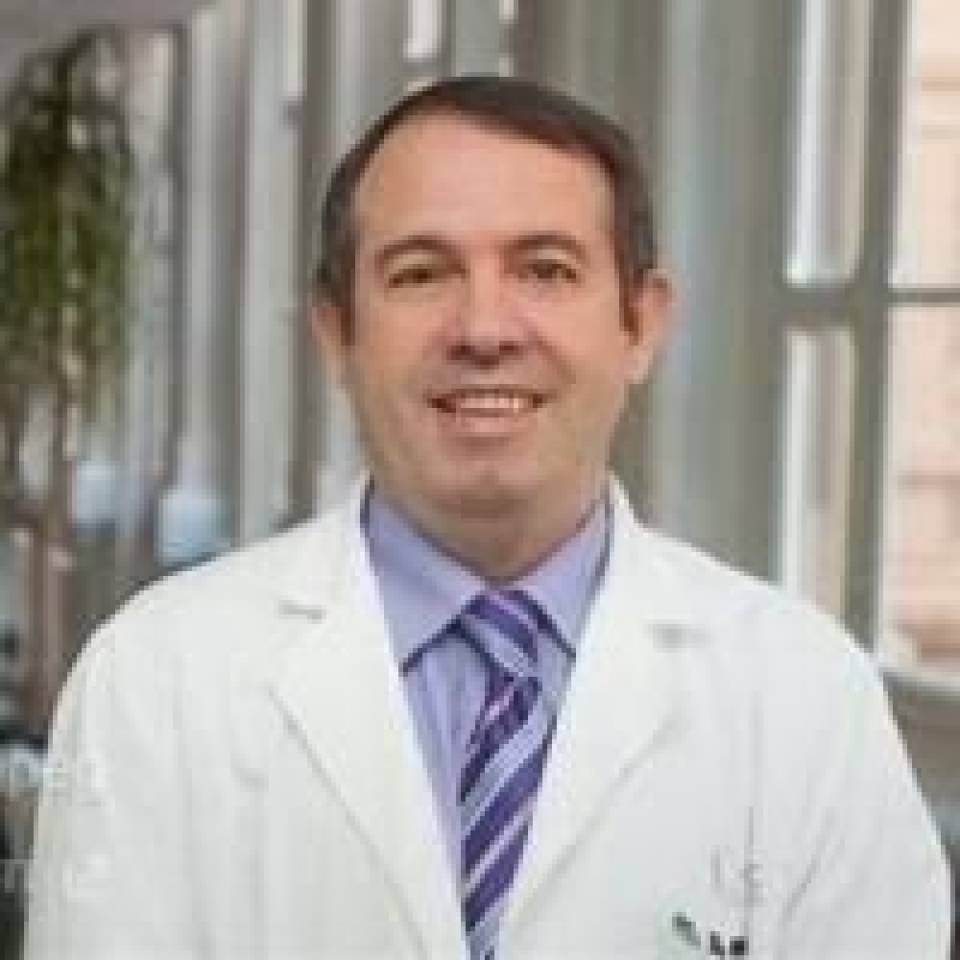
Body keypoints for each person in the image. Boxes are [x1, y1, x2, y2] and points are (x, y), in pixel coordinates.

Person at [25, 76, 950, 959]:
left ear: (640, 324)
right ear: (337, 333)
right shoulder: (155, 680)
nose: (484, 330)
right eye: (421, 274)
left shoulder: (803, 698)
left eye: (545, 270)